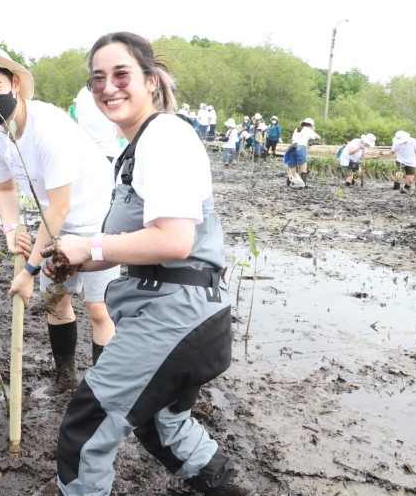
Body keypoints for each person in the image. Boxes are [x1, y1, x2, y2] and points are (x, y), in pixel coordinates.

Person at [43, 32, 256, 496]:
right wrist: (71, 258)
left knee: (85, 431)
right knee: (164, 425)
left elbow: (174, 241)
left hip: (174, 316)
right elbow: (138, 244)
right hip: (183, 313)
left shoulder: (165, 135)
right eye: (97, 78)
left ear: (151, 80)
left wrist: (90, 248)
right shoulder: (136, 147)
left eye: (121, 74)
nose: (108, 87)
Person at [0, 43, 119, 392]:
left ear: (14, 83)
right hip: (54, 219)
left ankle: (103, 389)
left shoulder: (48, 128)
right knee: (55, 302)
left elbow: (61, 207)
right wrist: (11, 230)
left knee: (98, 308)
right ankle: (65, 378)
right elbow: (4, 189)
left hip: (95, 218)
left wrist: (29, 271)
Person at [75, 85, 122, 162]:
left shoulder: (82, 92)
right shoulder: (110, 92)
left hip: (85, 153)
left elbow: (77, 121)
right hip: (109, 151)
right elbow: (121, 134)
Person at [287, 118, 321, 187]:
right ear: (311, 125)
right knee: (303, 165)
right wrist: (311, 143)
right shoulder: (308, 130)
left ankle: (289, 183)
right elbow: (318, 137)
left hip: (292, 147)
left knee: (292, 166)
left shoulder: (297, 129)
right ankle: (303, 183)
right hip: (301, 147)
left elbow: (293, 140)